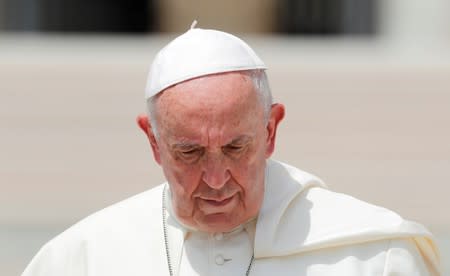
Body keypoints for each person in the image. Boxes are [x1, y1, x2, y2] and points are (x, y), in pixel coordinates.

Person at [22, 24, 440, 276]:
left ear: (271, 129)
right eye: (190, 153)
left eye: (236, 147)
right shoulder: (80, 259)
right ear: (153, 141)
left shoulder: (372, 256)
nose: (216, 179)